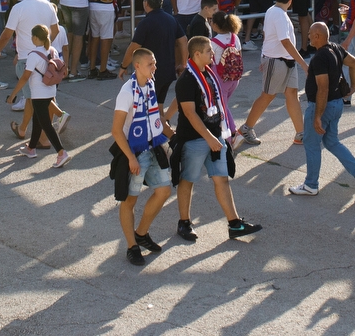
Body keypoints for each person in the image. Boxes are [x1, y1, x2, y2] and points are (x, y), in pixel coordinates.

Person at [172, 36, 262, 243]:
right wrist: (209, 138)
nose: (212, 54)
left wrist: (221, 135)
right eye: (208, 52)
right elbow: (190, 113)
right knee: (187, 180)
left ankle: (234, 223)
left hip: (215, 137)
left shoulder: (211, 74)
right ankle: (184, 222)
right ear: (196, 54)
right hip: (195, 140)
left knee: (221, 179)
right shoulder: (186, 79)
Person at [288, 23, 355, 197]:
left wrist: (317, 116)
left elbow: (322, 89)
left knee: (311, 143)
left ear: (317, 36)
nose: (307, 37)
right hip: (337, 104)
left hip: (322, 106)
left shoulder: (320, 58)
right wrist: (353, 87)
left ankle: (310, 185)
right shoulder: (337, 48)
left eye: (309, 34)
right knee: (331, 142)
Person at [111, 48, 173, 265]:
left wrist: (171, 135)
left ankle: (142, 233)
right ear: (136, 66)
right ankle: (131, 245)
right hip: (135, 151)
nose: (154, 68)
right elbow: (116, 130)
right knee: (130, 201)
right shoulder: (127, 92)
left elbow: (155, 115)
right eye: (150, 64)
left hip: (154, 146)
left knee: (164, 191)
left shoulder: (150, 84)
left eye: (154, 63)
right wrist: (130, 158)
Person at [239, 0, 308, 145]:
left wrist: (264, 56)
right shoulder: (280, 15)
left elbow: (267, 35)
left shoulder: (272, 11)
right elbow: (285, 41)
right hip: (277, 61)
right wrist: (303, 64)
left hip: (282, 61)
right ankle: (246, 128)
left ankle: (301, 133)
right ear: (291, 1)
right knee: (268, 95)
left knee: (292, 94)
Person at [11, 25, 69, 166]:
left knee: (46, 125)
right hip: (51, 91)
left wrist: (12, 94)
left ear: (35, 38)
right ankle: (31, 148)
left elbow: (25, 77)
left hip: (38, 93)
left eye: (32, 36)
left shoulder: (33, 55)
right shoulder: (52, 50)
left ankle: (61, 153)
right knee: (37, 121)